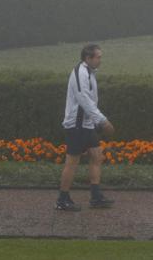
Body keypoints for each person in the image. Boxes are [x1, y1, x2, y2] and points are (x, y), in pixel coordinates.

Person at [56, 43, 116, 212]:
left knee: (97, 156)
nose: (100, 60)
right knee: (72, 162)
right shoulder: (80, 73)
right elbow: (84, 99)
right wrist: (103, 121)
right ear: (87, 58)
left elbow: (90, 101)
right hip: (76, 125)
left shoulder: (89, 73)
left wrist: (95, 121)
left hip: (86, 125)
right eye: (98, 57)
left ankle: (96, 197)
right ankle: (62, 199)